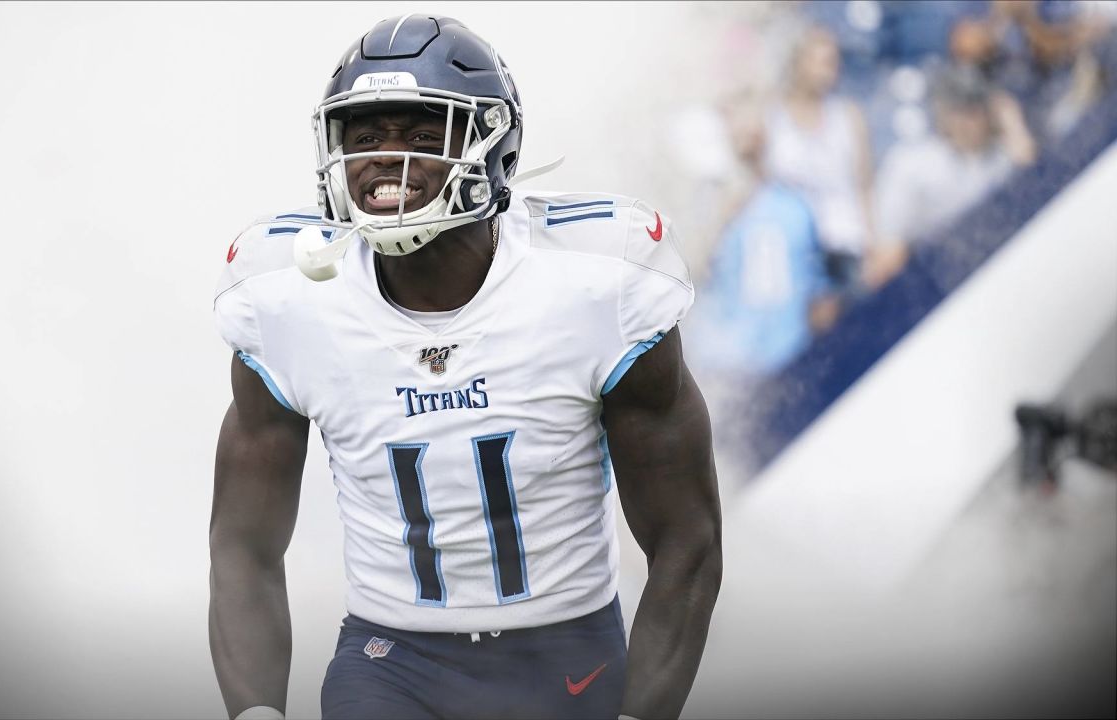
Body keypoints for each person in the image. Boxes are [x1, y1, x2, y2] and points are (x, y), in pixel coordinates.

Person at [209, 15, 722, 720]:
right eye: (363, 138)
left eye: (423, 136)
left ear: (494, 148)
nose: (386, 160)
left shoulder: (598, 282)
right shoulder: (286, 298)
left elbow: (686, 539)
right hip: (389, 664)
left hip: (568, 659)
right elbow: (242, 546)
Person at [689, 92, 838, 379]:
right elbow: (692, 276)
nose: (749, 136)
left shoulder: (795, 204)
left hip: (789, 359)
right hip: (726, 366)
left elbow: (818, 291)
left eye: (754, 128)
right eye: (740, 128)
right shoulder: (708, 207)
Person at [867, 63, 1037, 288]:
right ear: (943, 113)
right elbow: (887, 254)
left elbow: (1035, 186)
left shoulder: (1001, 158)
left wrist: (1012, 120)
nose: (970, 120)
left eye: (976, 109)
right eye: (960, 110)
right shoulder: (912, 163)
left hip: (1000, 271)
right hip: (935, 279)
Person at [763, 25, 878, 298]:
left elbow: (864, 186)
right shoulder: (771, 118)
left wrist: (872, 243)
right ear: (798, 63)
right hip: (792, 249)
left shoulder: (849, 116)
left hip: (843, 245)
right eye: (822, 60)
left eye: (834, 61)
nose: (831, 69)